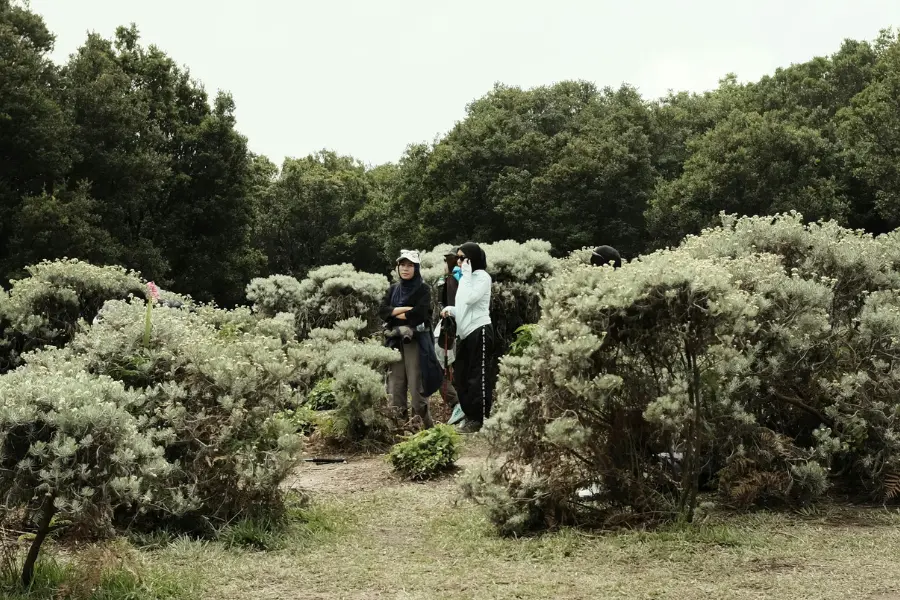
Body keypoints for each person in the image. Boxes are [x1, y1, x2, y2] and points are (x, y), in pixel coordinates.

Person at [378, 250, 435, 429]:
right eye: (402, 264)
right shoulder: (393, 289)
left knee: (417, 388)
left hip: (416, 342)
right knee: (395, 386)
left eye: (410, 265)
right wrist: (404, 311)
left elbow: (420, 314)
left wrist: (394, 312)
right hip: (395, 341)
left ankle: (423, 430)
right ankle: (398, 429)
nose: (405, 268)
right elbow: (382, 311)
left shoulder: (423, 289)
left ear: (416, 268)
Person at [441, 242, 493, 433]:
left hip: (479, 330)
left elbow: (471, 298)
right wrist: (450, 310)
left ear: (473, 259)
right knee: (461, 377)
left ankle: (480, 419)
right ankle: (469, 416)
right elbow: (463, 305)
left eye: (463, 258)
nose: (459, 261)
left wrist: (468, 274)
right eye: (458, 258)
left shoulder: (481, 277)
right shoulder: (466, 278)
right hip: (465, 333)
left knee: (477, 377)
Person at [435, 248, 464, 425]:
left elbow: (451, 305)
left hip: (452, 328)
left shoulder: (453, 278)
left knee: (441, 367)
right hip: (461, 328)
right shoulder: (462, 278)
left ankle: (457, 405)